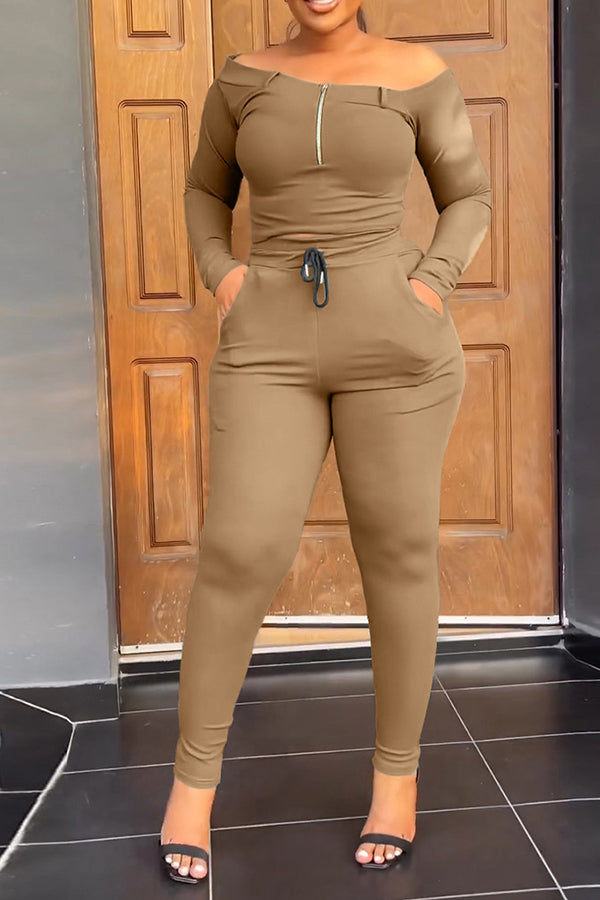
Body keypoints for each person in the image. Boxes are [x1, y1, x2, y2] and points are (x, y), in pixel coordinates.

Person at [158, 0, 492, 884]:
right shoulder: (241, 79)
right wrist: (224, 276)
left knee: (398, 554)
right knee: (238, 550)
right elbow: (203, 191)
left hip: (397, 346)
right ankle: (191, 788)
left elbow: (469, 194)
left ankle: (396, 781)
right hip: (268, 339)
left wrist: (432, 284)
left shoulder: (418, 73)